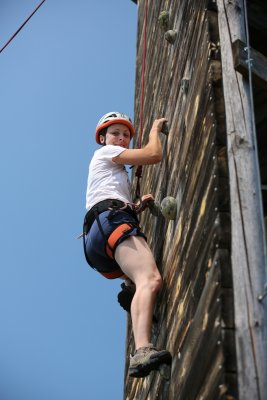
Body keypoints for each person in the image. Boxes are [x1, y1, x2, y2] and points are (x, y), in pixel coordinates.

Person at [83, 111, 172, 377]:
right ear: (103, 138)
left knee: (140, 279)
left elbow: (107, 194)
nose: (121, 139)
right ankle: (142, 351)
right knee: (152, 279)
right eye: (115, 134)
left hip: (98, 239)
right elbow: (154, 154)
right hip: (112, 223)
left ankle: (131, 289)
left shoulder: (112, 170)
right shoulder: (105, 153)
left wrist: (135, 206)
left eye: (125, 135)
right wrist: (155, 128)